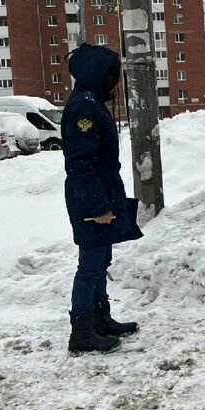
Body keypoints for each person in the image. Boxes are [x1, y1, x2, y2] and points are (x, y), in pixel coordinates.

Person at [63, 44, 143, 354]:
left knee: (101, 260)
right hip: (90, 197)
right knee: (90, 264)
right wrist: (98, 207)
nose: (115, 81)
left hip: (102, 190)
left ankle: (100, 318)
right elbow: (81, 163)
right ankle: (82, 332)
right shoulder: (84, 107)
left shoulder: (91, 101)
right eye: (111, 74)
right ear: (97, 73)